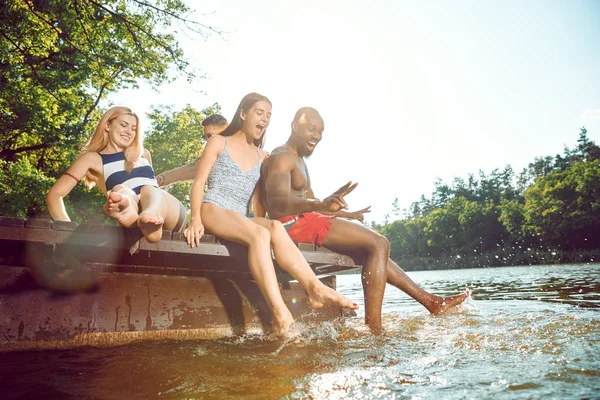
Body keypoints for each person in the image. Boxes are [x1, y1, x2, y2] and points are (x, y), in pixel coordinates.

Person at [260, 107, 470, 334]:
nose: (317, 136)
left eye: (320, 131)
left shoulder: (299, 160)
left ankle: (432, 302)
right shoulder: (282, 157)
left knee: (372, 252)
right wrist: (321, 206)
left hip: (305, 220)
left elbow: (311, 203)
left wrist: (342, 213)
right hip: (292, 226)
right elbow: (277, 202)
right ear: (294, 126)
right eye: (311, 129)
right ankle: (375, 327)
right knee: (379, 243)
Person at [185, 93, 357, 337]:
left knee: (274, 227)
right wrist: (195, 220)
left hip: (240, 218)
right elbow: (198, 182)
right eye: (259, 113)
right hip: (214, 208)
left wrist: (279, 228)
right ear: (243, 113)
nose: (264, 119)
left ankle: (314, 287)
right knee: (259, 235)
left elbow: (259, 204)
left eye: (268, 115)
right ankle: (280, 314)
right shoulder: (218, 143)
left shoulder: (262, 156)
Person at [46, 106, 187, 243]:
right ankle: (130, 213)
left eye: (133, 129)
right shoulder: (92, 159)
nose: (129, 132)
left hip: (167, 213)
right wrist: (67, 231)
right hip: (135, 223)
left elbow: (151, 187)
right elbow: (55, 194)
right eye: (123, 125)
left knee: (149, 190)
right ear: (107, 125)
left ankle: (151, 218)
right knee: (120, 189)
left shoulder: (143, 154)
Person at [155, 114, 229, 188]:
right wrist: (151, 182)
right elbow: (174, 175)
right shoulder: (206, 161)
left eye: (210, 136)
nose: (208, 140)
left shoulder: (237, 153)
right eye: (205, 137)